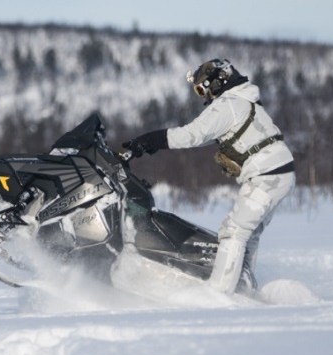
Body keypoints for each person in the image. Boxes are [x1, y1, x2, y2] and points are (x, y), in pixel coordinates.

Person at [122, 58, 295, 295]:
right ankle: (244, 285)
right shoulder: (244, 100)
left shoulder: (229, 104)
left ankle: (220, 293)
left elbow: (192, 135)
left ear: (218, 81)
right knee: (249, 233)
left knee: (233, 232)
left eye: (203, 88)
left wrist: (147, 141)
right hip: (280, 172)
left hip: (266, 175)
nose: (203, 95)